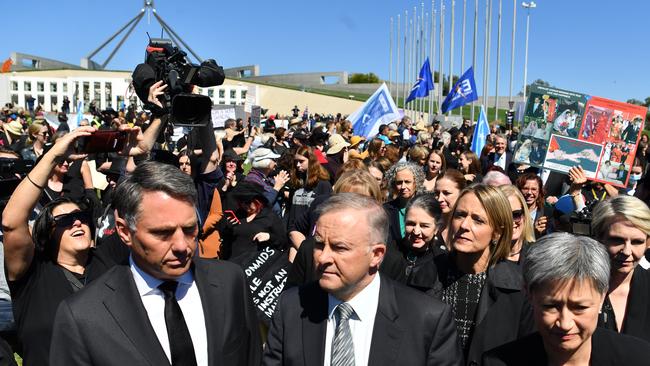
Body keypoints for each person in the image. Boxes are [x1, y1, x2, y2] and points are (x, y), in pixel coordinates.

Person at [49, 161, 262, 365]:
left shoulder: (230, 282)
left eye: (189, 229)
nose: (181, 246)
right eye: (163, 233)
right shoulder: (83, 315)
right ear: (124, 232)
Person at [262, 193, 463, 366]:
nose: (323, 258)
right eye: (319, 244)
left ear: (376, 255)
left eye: (340, 248)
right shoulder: (291, 307)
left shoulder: (427, 320)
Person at [1, 127, 137, 365]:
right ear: (46, 233)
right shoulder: (32, 275)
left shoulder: (107, 257)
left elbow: (143, 212)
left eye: (82, 216)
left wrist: (133, 158)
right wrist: (54, 154)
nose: (77, 221)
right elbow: (12, 222)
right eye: (64, 220)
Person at [483, 233, 650, 366]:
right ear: (529, 295)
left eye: (580, 307)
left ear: (602, 297)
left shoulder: (639, 358)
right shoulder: (499, 362)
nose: (565, 323)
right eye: (550, 306)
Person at [434, 184, 534, 365]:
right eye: (460, 215)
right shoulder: (424, 275)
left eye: (478, 220)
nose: (464, 225)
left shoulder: (519, 290)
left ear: (497, 231)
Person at [591, 196, 650, 343]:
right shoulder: (578, 287)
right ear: (599, 238)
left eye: (637, 242)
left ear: (648, 243)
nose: (627, 251)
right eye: (617, 240)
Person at [401, 194, 445, 292]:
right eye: (411, 224)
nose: (416, 231)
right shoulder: (391, 251)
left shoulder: (442, 261)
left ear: (436, 229)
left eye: (424, 226)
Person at [383, 162, 425, 246]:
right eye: (399, 182)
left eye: (407, 182)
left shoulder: (426, 207)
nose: (403, 186)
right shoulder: (386, 209)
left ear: (416, 182)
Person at [498, 185, 535, 263]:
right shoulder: (485, 258)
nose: (510, 221)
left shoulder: (538, 254)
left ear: (524, 215)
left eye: (516, 214)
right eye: (504, 216)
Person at [433, 169, 467, 249]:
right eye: (437, 193)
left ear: (461, 193)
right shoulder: (432, 225)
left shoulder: (466, 228)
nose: (439, 199)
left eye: (446, 193)